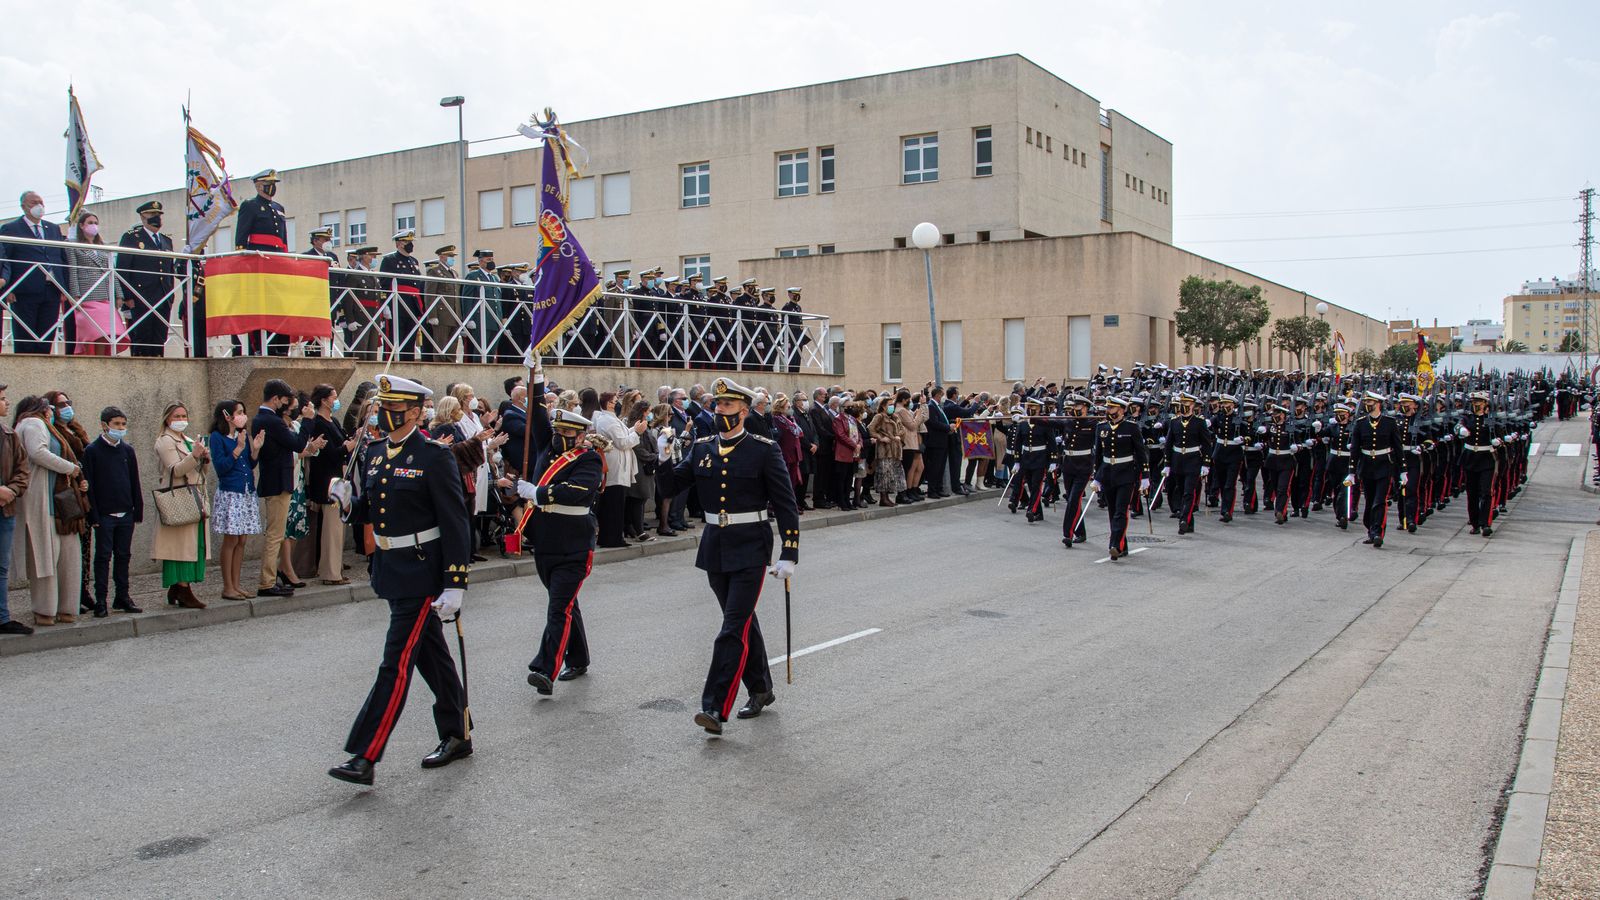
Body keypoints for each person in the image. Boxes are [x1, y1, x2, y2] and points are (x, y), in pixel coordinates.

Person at [326, 374, 472, 786]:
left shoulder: (433, 455)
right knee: (431, 656)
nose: (383, 415)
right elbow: (373, 509)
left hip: (422, 572)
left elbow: (455, 522)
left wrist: (455, 582)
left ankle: (364, 754)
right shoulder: (375, 453)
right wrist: (346, 504)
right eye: (381, 407)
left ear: (414, 411)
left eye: (392, 408)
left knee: (395, 663)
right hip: (392, 568)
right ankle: (457, 731)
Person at [658, 377, 799, 735]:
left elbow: (785, 503)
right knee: (741, 622)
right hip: (715, 546)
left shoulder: (763, 449)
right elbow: (671, 486)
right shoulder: (702, 448)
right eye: (717, 405)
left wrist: (789, 552)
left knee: (731, 629)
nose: (719, 411)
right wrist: (662, 458)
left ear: (744, 411)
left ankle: (714, 708)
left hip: (751, 546)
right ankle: (762, 688)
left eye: (727, 406)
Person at [503, 360, 605, 695]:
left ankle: (546, 668)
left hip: (575, 544)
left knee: (558, 606)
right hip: (545, 540)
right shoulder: (547, 447)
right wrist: (537, 376)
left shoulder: (588, 459)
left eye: (567, 433)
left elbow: (579, 492)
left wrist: (538, 492)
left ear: (579, 435)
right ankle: (579, 658)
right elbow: (535, 414)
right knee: (565, 603)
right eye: (558, 431)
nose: (560, 437)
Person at [15, 396, 84, 624]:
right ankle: (47, 610)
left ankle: (64, 608)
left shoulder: (41, 425)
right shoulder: (33, 423)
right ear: (41, 410)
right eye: (51, 409)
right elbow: (38, 452)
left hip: (57, 500)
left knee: (66, 556)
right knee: (46, 556)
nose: (54, 412)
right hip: (44, 499)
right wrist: (71, 468)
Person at [253, 380, 323, 596]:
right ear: (276, 399)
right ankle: (267, 581)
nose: (289, 406)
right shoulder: (271, 421)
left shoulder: (264, 419)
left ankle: (271, 578)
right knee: (275, 535)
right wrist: (309, 422)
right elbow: (298, 444)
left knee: (276, 533)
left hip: (277, 481)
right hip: (277, 482)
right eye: (285, 401)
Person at [152, 403, 210, 608]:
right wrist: (194, 455)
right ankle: (182, 588)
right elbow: (175, 470)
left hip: (194, 495)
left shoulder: (188, 440)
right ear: (168, 419)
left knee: (192, 544)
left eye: (184, 415)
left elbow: (200, 473)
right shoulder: (165, 440)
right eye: (177, 416)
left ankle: (179, 587)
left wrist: (204, 459)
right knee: (181, 546)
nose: (181, 419)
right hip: (179, 497)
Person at [43, 391, 94, 614]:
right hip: (67, 494)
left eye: (68, 403)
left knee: (85, 547)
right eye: (61, 404)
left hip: (82, 492)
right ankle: (72, 595)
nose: (66, 407)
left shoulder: (76, 428)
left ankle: (83, 590)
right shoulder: (55, 432)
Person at [208, 400, 264, 601]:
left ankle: (237, 584)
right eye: (239, 412)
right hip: (231, 493)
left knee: (242, 539)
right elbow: (221, 467)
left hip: (247, 491)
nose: (242, 415)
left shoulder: (242, 435)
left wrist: (255, 449)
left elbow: (249, 464)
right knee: (231, 539)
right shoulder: (217, 437)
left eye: (243, 411)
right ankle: (227, 586)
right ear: (227, 415)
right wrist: (237, 450)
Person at [305, 385, 357, 584]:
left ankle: (336, 568)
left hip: (338, 480)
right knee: (332, 530)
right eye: (333, 397)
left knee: (339, 527)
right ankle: (330, 572)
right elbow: (329, 454)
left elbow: (343, 441)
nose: (336, 400)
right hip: (327, 482)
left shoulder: (333, 421)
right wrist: (347, 447)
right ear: (324, 400)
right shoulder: (319, 423)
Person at [1087, 397, 1150, 561]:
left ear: (1122, 410)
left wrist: (1145, 476)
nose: (1108, 411)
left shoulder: (1132, 428)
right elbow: (1099, 456)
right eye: (1108, 408)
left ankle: (1114, 544)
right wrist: (1097, 477)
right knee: (1112, 511)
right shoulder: (1101, 428)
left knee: (1121, 512)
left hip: (1126, 475)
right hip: (1108, 474)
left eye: (1112, 408)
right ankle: (1122, 546)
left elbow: (1141, 454)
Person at [1347, 391, 1403, 549]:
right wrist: (1351, 471)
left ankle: (1378, 533)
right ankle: (1371, 530)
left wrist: (1403, 470)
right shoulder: (1360, 423)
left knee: (1380, 500)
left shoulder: (1389, 422)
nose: (1367, 405)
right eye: (1366, 402)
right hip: (1366, 466)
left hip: (1384, 465)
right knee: (1370, 500)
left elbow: (1397, 447)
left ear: (1378, 404)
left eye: (1370, 402)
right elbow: (1355, 449)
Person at [65, 211, 126, 355]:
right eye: (90, 223)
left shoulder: (103, 246)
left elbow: (112, 271)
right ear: (81, 225)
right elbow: (73, 271)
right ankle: (94, 360)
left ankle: (104, 360)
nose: (94, 226)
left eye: (95, 223)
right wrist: (75, 296)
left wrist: (119, 295)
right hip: (87, 294)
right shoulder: (73, 245)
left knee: (108, 331)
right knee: (94, 332)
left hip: (105, 294)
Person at [0, 384, 32, 634]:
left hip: (5, 509)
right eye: (2, 399)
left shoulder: (9, 434)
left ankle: (2, 618)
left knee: (2, 567)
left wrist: (11, 490)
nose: (7, 402)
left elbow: (23, 469)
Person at [592, 391, 643, 549]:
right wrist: (638, 433)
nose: (617, 403)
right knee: (613, 505)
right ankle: (612, 538)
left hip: (616, 465)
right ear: (609, 404)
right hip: (615, 466)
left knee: (613, 504)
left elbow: (622, 434)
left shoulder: (609, 419)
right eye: (615, 401)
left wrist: (633, 430)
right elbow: (621, 442)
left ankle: (610, 536)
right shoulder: (608, 420)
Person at [1161, 392, 1214, 536]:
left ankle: (1184, 520)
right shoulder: (1174, 422)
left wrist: (1206, 464)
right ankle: (1189, 523)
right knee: (1180, 488)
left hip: (1193, 460)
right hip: (1178, 460)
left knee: (1188, 492)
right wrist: (1167, 463)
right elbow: (1168, 444)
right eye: (1181, 404)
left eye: (1186, 404)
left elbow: (1207, 444)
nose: (1183, 406)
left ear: (1192, 406)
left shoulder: (1199, 422)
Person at [625, 399, 658, 542]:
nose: (650, 414)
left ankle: (630, 527)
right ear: (643, 412)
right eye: (649, 411)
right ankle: (639, 531)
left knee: (639, 499)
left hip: (646, 466)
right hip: (639, 466)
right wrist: (652, 457)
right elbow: (637, 447)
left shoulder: (645, 424)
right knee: (638, 498)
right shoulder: (636, 425)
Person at [423, 245, 461, 361]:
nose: (452, 258)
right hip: (441, 314)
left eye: (452, 256)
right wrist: (432, 315)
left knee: (452, 346)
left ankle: (450, 366)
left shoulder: (454, 273)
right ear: (442, 257)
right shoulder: (434, 271)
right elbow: (430, 294)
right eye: (450, 256)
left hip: (454, 314)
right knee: (441, 345)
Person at [868, 397, 907, 506]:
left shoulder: (895, 417)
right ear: (884, 406)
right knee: (884, 474)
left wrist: (898, 435)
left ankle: (888, 498)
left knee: (893, 474)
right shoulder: (879, 416)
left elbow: (902, 429)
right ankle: (883, 498)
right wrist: (881, 438)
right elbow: (871, 428)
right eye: (889, 404)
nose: (892, 407)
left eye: (892, 404)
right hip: (884, 450)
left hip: (895, 449)